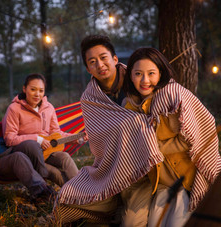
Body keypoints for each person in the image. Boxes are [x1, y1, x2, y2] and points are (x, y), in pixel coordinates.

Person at [55, 35, 158, 226]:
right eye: (93, 62)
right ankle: (111, 209)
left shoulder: (138, 80)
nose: (100, 65)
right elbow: (98, 141)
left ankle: (118, 211)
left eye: (104, 58)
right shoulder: (89, 99)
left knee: (130, 223)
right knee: (65, 200)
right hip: (109, 167)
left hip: (142, 168)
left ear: (115, 59)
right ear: (88, 69)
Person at [122, 47, 221, 226]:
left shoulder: (172, 97)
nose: (145, 80)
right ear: (130, 75)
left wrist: (155, 149)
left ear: (160, 73)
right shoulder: (130, 107)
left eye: (151, 73)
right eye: (138, 73)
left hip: (189, 177)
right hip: (162, 182)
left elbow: (189, 137)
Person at [2, 73, 84, 188]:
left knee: (65, 157)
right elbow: (10, 140)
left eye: (41, 91)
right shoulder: (14, 109)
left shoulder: (48, 108)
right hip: (28, 155)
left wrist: (76, 138)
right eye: (33, 89)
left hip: (47, 152)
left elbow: (56, 134)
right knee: (54, 172)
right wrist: (37, 139)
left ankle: (83, 191)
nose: (37, 94)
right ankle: (76, 194)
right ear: (24, 89)